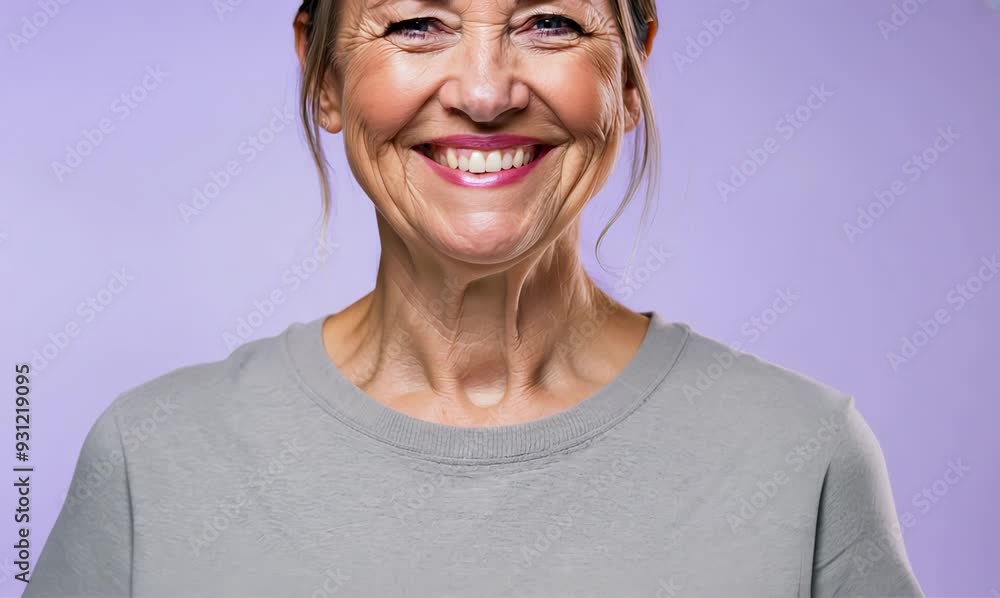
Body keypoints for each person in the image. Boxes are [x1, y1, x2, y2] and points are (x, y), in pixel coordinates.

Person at [24, 0, 923, 596]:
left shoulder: (801, 456)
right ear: (323, 74)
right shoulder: (154, 461)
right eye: (416, 23)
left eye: (549, 23)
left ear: (632, 67)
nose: (486, 93)